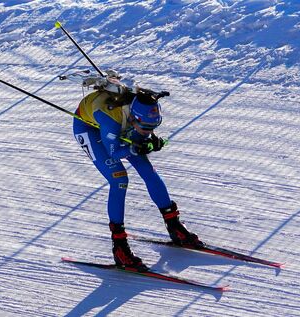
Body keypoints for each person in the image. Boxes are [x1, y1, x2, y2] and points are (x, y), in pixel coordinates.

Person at [72, 78, 203, 272]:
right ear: (133, 117)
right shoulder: (110, 118)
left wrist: (150, 142)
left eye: (153, 128)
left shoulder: (139, 112)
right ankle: (119, 247)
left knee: (147, 170)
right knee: (119, 180)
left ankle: (174, 225)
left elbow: (142, 135)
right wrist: (135, 147)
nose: (147, 132)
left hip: (121, 126)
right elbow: (114, 152)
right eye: (146, 128)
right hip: (89, 129)